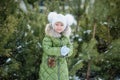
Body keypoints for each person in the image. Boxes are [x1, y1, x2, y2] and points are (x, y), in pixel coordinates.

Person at [39, 12, 75, 80]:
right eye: (56, 24)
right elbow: (47, 49)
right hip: (49, 66)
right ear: (53, 25)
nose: (59, 27)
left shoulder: (66, 37)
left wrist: (67, 52)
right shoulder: (48, 37)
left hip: (62, 67)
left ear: (65, 26)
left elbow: (70, 48)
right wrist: (60, 51)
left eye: (61, 25)